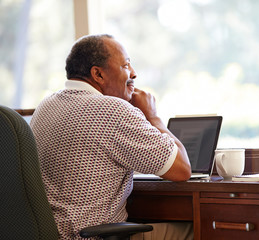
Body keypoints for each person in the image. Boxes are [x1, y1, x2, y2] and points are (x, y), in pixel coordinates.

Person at [30, 34, 193, 239]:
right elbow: (182, 169)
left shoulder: (46, 106)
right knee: (199, 229)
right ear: (98, 74)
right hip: (89, 237)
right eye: (126, 65)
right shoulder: (113, 110)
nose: (134, 73)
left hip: (46, 234)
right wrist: (152, 116)